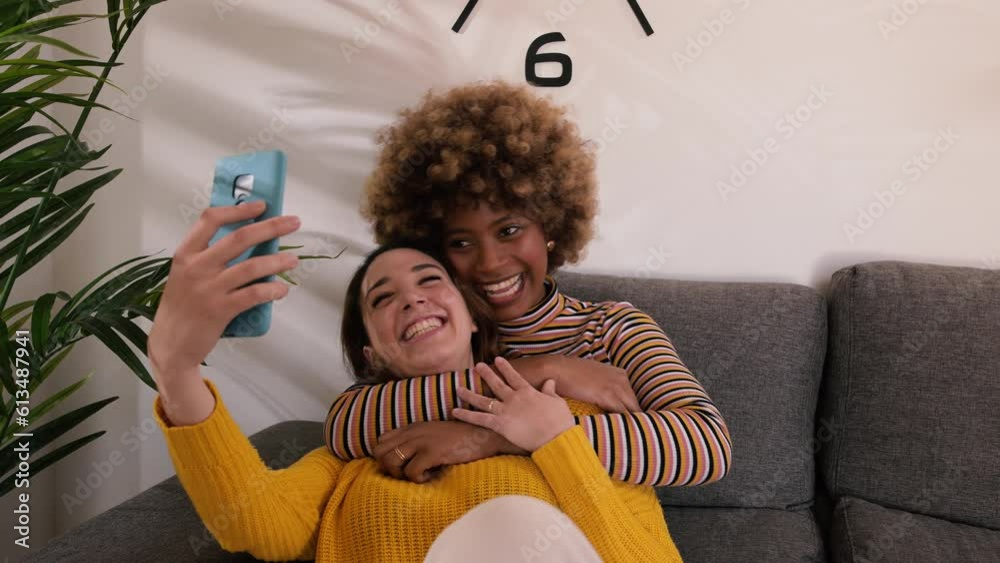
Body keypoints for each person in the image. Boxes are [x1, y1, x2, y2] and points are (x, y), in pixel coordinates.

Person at [147, 202, 683, 562]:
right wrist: (177, 373)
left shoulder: (571, 416)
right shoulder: (354, 450)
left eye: (430, 281)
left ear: (474, 317)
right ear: (371, 352)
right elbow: (253, 524)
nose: (412, 298)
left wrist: (553, 440)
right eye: (383, 298)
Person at [326, 79, 733, 490]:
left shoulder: (614, 330)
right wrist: (548, 369)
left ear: (551, 226)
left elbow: (705, 445)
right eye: (461, 242)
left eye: (509, 230)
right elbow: (347, 423)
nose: (490, 262)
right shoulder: (438, 338)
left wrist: (496, 438)